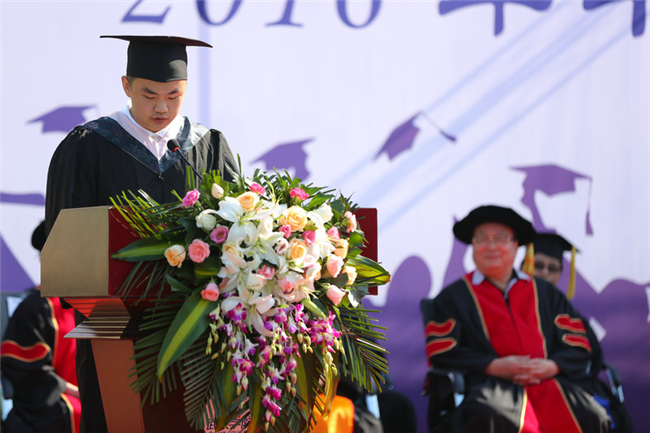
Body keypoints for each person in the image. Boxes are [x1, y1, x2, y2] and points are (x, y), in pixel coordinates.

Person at [44, 35, 239, 433]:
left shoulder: (209, 147)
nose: (161, 107)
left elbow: (236, 235)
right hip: (112, 327)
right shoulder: (89, 146)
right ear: (126, 85)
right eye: (149, 95)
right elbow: (65, 247)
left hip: (195, 329)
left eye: (174, 95)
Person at [422, 205, 610, 433]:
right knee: (493, 413)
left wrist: (551, 366)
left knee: (593, 416)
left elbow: (578, 345)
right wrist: (493, 366)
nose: (491, 246)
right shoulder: (452, 297)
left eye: (500, 238)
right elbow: (442, 352)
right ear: (472, 245)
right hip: (489, 386)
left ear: (515, 245)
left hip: (547, 383)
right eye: (482, 239)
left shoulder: (547, 294)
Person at [0, 221, 81, 433]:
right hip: (58, 401)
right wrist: (78, 393)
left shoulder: (95, 302)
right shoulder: (36, 307)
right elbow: (27, 372)